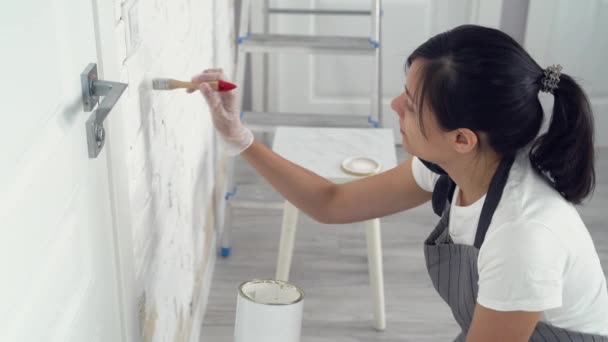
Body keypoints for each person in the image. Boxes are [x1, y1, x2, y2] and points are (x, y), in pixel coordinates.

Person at [193, 25, 608, 341]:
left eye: (410, 105)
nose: (393, 105)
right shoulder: (452, 165)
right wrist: (239, 138)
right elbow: (332, 202)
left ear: (461, 139)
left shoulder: (522, 236)